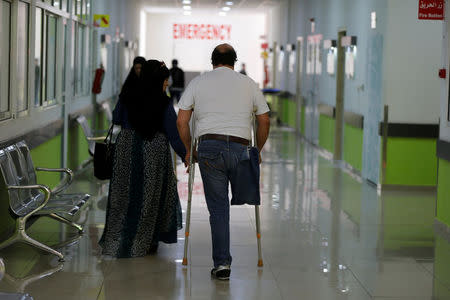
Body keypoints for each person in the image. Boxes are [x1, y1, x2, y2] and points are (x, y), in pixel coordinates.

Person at [177, 44, 270, 280]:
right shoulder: (248, 84)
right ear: (234, 61)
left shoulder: (199, 82)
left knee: (218, 209)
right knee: (241, 197)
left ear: (212, 61)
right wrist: (256, 151)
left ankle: (222, 264)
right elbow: (264, 120)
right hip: (240, 148)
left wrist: (189, 150)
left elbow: (182, 121)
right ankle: (243, 195)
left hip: (209, 148)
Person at [99, 59, 186, 258]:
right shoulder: (163, 102)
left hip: (126, 151)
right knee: (150, 197)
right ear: (157, 79)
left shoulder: (128, 94)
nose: (167, 84)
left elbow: (117, 118)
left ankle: (117, 239)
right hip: (152, 152)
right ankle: (143, 241)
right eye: (165, 80)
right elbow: (173, 133)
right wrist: (185, 154)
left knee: (124, 196)